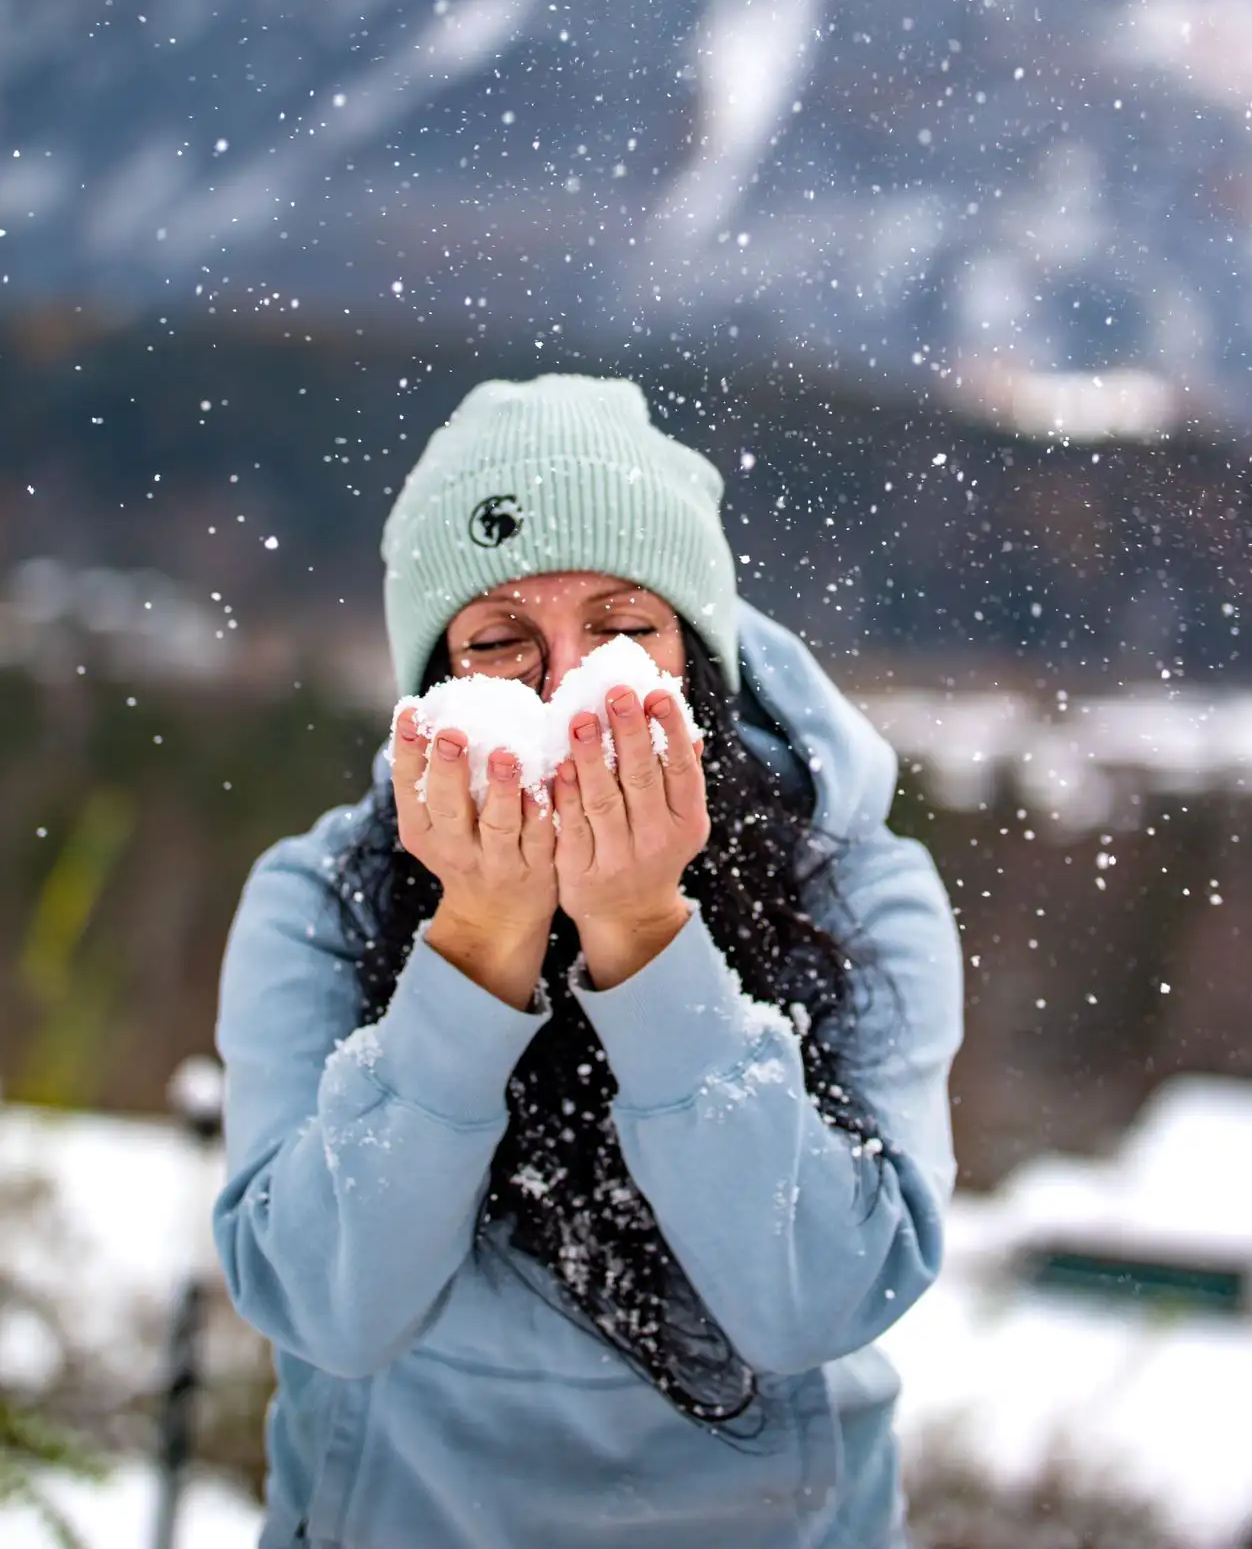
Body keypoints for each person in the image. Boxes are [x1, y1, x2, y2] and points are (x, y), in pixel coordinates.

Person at [214, 374, 963, 1549]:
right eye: (503, 639)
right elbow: (328, 1306)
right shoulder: (318, 901)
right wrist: (473, 944)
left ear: (696, 663)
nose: (569, 686)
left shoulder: (858, 895)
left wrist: (647, 936)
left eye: (622, 631)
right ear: (432, 686)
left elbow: (817, 1296)